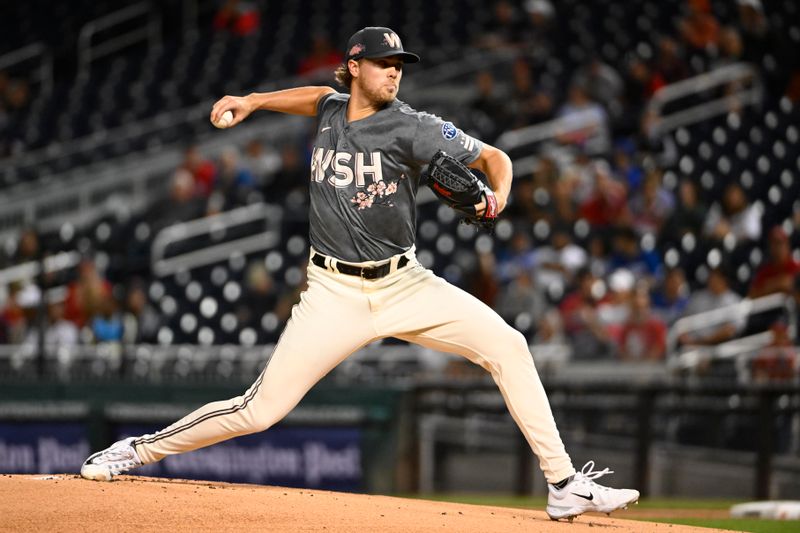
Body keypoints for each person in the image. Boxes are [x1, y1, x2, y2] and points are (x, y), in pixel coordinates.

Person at [80, 27, 638, 521]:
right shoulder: (329, 109)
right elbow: (314, 98)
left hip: (405, 284)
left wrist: (497, 201)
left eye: (400, 64)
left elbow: (497, 160)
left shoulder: (415, 128)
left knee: (509, 346)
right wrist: (253, 101)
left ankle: (564, 485)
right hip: (333, 292)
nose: (395, 70)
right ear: (355, 68)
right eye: (384, 62)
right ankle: (137, 450)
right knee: (259, 411)